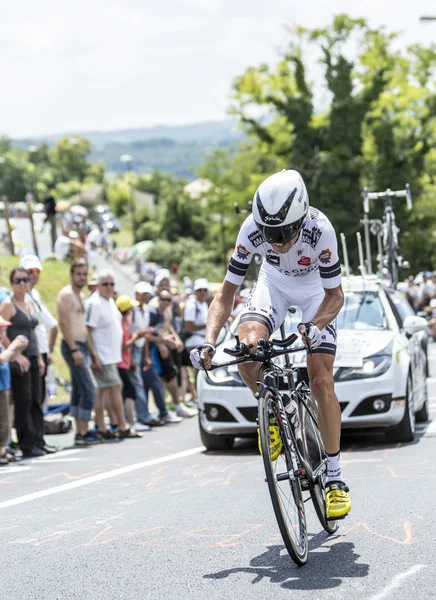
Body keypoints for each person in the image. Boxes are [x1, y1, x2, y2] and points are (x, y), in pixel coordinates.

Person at [190, 169, 351, 519]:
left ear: (301, 217)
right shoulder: (250, 228)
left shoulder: (319, 229)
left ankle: (335, 478)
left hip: (315, 294)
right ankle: (276, 415)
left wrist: (313, 326)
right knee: (246, 348)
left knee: (320, 377)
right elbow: (225, 294)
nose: (276, 241)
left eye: (284, 233)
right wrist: (208, 342)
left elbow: (336, 295)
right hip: (273, 283)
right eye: (269, 234)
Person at [86, 270, 141, 439]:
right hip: (102, 354)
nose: (109, 287)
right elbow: (88, 331)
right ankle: (121, 425)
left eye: (111, 284)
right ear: (98, 285)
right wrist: (94, 356)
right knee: (115, 387)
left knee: (104, 390)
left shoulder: (109, 301)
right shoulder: (94, 303)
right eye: (105, 284)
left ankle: (102, 426)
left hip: (112, 354)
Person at [0, 267, 48, 457]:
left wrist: (38, 356)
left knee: (37, 398)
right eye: (18, 280)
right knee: (23, 400)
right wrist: (16, 354)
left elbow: (32, 331)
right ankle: (26, 443)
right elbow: (1, 332)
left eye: (25, 279)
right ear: (12, 283)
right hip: (17, 359)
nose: (22, 283)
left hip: (33, 356)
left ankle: (38, 439)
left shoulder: (29, 302)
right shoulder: (8, 304)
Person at [57, 260, 99, 446]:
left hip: (82, 346)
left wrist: (92, 352)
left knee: (79, 389)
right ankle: (83, 431)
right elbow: (63, 323)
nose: (82, 277)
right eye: (78, 274)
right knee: (90, 388)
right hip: (72, 346)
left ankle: (80, 432)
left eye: (84, 273)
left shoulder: (81, 295)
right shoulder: (66, 294)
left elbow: (84, 327)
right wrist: (74, 349)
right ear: (71, 275)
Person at [149, 291, 197, 419]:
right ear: (158, 299)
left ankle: (173, 406)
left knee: (172, 376)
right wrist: (162, 345)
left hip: (166, 345)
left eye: (168, 299)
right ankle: (166, 409)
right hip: (159, 347)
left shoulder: (166, 311)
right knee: (165, 378)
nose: (165, 302)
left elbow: (168, 326)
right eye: (163, 299)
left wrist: (176, 339)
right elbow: (152, 332)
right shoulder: (154, 312)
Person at [19, 255, 58, 408]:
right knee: (32, 397)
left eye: (37, 271)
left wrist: (49, 350)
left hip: (41, 351)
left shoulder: (34, 295)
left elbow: (52, 325)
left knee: (40, 396)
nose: (34, 274)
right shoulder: (19, 297)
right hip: (30, 353)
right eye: (30, 271)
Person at [115, 295, 150, 432]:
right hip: (120, 363)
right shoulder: (120, 325)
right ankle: (130, 422)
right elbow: (123, 347)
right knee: (128, 392)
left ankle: (127, 421)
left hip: (125, 361)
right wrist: (136, 337)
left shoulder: (125, 323)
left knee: (127, 392)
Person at [0, 321, 28, 466]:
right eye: (0, 331)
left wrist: (18, 350)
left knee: (6, 419)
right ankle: (1, 450)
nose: (2, 334)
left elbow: (8, 357)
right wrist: (12, 346)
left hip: (4, 385)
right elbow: (2, 358)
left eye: (4, 331)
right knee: (2, 420)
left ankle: (3, 448)